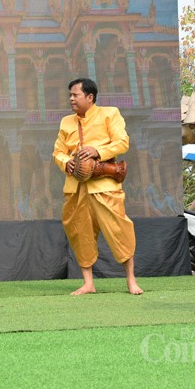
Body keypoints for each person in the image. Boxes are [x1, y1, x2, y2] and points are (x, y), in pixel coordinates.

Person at [53, 78, 143, 296]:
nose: (71, 99)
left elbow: (122, 142)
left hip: (104, 184)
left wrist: (97, 151)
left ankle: (131, 280)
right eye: (70, 95)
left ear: (90, 97)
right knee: (79, 231)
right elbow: (58, 152)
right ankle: (88, 283)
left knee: (119, 229)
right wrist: (67, 162)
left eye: (75, 95)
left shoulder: (110, 114)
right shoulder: (66, 122)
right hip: (76, 186)